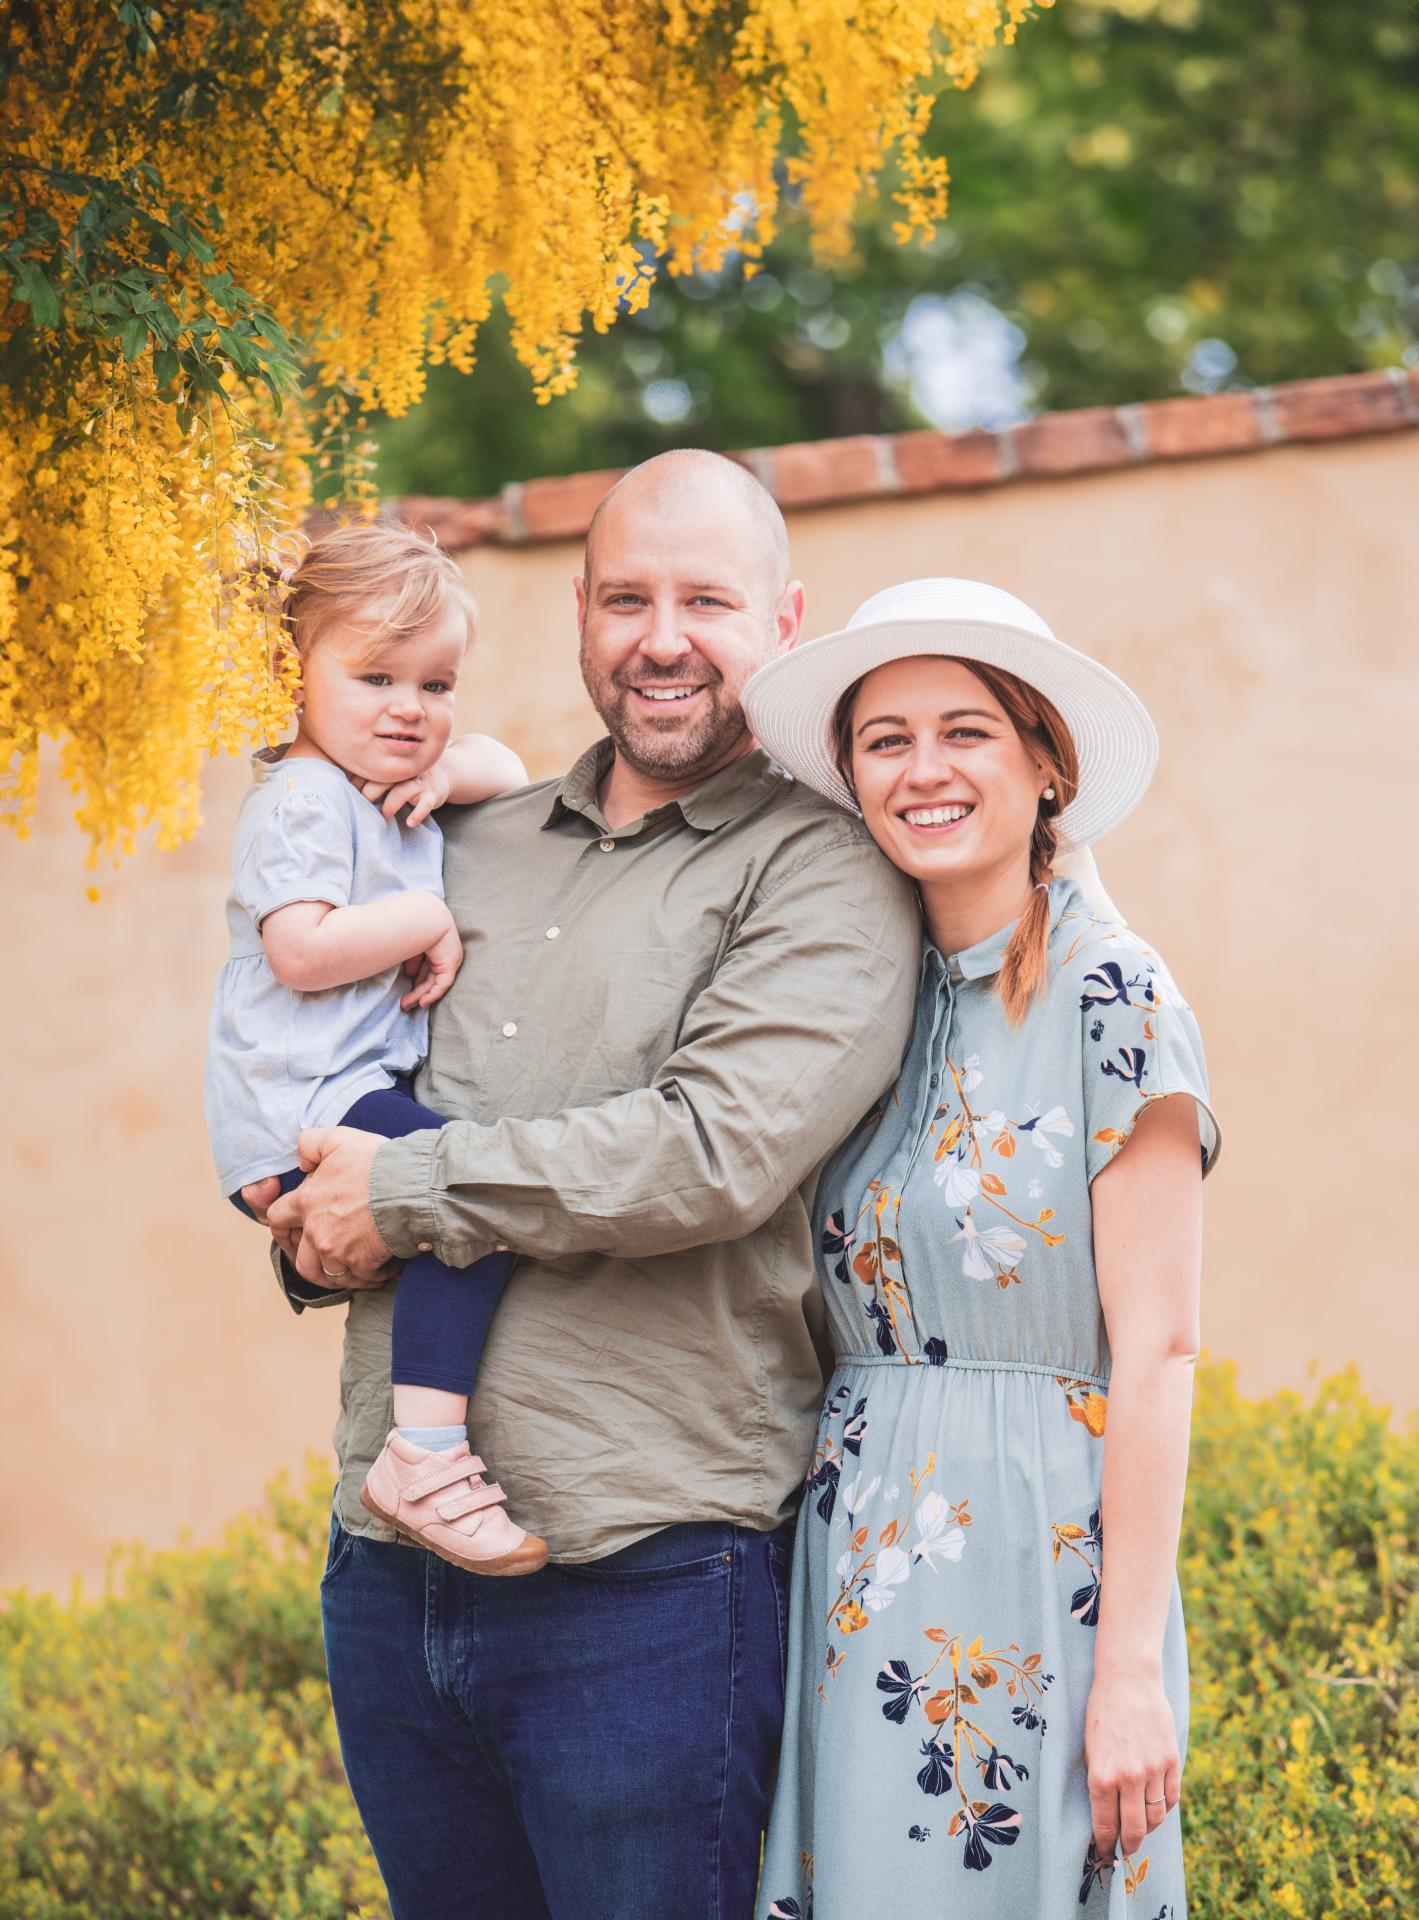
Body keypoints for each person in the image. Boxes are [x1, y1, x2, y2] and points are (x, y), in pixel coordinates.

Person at [252, 451, 924, 1920]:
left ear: (784, 621)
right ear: (577, 612)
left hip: (648, 1583)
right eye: (626, 599)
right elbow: (322, 1078)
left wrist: (402, 1189)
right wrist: (304, 1228)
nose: (661, 639)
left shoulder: (826, 871)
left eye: (706, 602)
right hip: (387, 1574)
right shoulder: (452, 845)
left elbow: (708, 1153)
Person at [742, 577, 1219, 1919]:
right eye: (884, 740)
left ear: (1045, 761)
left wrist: (1128, 1671)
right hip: (850, 1569)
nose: (923, 769)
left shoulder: (1115, 994)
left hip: (1038, 1566)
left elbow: (1161, 1351)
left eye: (965, 731)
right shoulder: (859, 1000)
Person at [206, 522, 549, 1572]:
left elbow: (509, 767)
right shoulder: (305, 798)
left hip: (331, 1091)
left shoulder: (381, 779)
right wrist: (425, 918)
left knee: (455, 1199)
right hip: (305, 1099)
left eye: (436, 685)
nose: (411, 709)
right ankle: (422, 1460)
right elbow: (301, 949)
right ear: (292, 677)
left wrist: (447, 773)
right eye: (376, 678)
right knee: (470, 1201)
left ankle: (421, 1447)